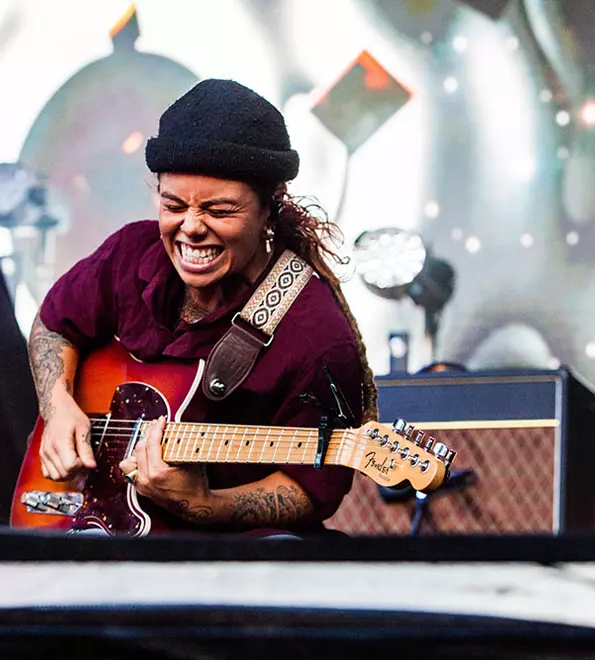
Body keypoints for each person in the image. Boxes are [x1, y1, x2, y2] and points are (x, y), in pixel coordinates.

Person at [29, 79, 377, 535]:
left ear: (271, 206)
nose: (190, 228)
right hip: (92, 530)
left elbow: (310, 491)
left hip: (224, 569)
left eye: (220, 211)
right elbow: (53, 326)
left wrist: (206, 504)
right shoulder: (129, 252)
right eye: (173, 204)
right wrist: (58, 409)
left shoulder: (317, 337)